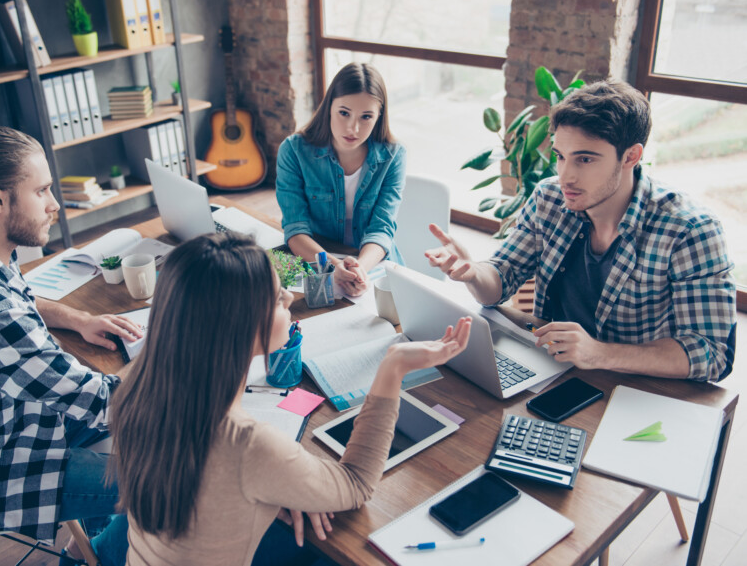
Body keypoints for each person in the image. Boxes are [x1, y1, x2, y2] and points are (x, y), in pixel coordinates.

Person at [112, 232, 471, 566]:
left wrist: (276, 487)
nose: (288, 299)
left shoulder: (137, 387)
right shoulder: (248, 446)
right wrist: (392, 368)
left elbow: (216, 484)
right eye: (278, 296)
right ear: (243, 325)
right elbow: (356, 484)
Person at [0, 127, 142, 566]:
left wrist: (79, 319)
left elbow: (14, 297)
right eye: (42, 191)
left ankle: (90, 536)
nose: (54, 204)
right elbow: (100, 402)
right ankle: (90, 557)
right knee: (167, 479)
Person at [425, 80, 736, 382]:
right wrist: (474, 273)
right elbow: (499, 283)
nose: (565, 177)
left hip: (639, 388)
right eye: (561, 156)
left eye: (585, 159)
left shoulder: (690, 230)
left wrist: (598, 353)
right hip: (552, 369)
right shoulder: (549, 197)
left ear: (631, 156)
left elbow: (711, 352)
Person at [276, 62, 406, 297]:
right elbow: (295, 229)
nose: (353, 128)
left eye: (366, 117)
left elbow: (382, 229)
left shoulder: (394, 156)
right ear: (329, 108)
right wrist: (334, 267)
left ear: (379, 117)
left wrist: (359, 271)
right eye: (344, 113)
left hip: (373, 265)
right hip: (316, 260)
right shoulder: (293, 151)